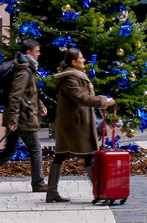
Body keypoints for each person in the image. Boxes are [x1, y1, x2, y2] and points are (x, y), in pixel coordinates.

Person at [0, 39, 48, 194]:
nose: (39, 54)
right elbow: (15, 95)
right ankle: (38, 183)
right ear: (28, 52)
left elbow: (30, 92)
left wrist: (40, 105)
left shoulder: (24, 68)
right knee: (35, 149)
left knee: (9, 151)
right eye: (37, 51)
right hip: (22, 117)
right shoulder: (23, 70)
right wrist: (13, 120)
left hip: (17, 116)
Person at [46, 47, 115, 203]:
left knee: (63, 155)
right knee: (87, 155)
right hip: (75, 126)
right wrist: (104, 101)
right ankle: (99, 193)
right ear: (73, 61)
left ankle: (52, 192)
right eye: (81, 57)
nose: (84, 60)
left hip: (76, 124)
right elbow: (81, 98)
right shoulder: (69, 78)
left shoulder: (75, 75)